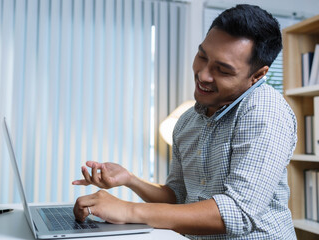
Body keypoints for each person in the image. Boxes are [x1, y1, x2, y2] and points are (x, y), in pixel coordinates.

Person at [72, 4, 297, 239]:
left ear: (258, 75)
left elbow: (237, 213)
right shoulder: (188, 121)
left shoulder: (265, 108)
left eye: (222, 70)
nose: (203, 74)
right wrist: (130, 180)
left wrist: (128, 210)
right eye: (202, 56)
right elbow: (179, 197)